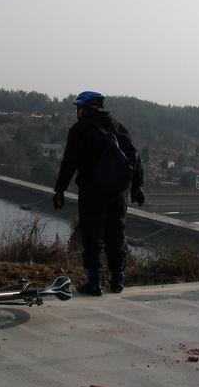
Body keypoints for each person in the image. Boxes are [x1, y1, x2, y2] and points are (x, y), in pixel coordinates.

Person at [52, 91, 145, 295]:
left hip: (92, 192)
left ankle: (94, 283)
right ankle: (118, 280)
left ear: (83, 109)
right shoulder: (117, 126)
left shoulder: (79, 130)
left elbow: (69, 163)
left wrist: (60, 189)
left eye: (78, 108)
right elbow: (135, 156)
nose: (77, 112)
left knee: (92, 237)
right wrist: (137, 186)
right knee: (116, 235)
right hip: (118, 193)